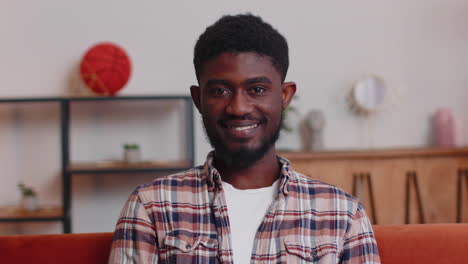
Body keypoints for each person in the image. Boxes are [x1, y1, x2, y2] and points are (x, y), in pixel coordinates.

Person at [109, 14, 380, 263]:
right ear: (198, 99)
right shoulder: (151, 206)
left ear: (285, 95)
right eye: (220, 91)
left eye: (257, 89)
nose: (238, 107)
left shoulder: (342, 214)